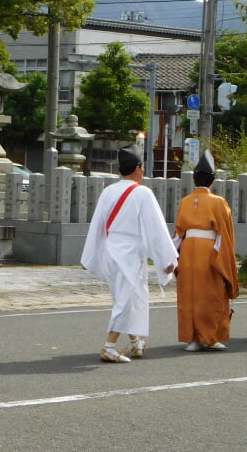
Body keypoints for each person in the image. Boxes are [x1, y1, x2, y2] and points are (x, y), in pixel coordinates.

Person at [80, 146, 178, 363]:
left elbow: (97, 224)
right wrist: (167, 259)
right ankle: (109, 346)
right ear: (137, 169)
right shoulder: (143, 193)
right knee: (126, 298)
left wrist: (90, 255)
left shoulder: (108, 191)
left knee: (125, 297)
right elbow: (156, 229)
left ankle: (136, 342)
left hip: (110, 250)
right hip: (130, 253)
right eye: (142, 168)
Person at [174, 150, 239, 351]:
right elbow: (224, 234)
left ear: (195, 179)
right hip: (210, 251)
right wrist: (225, 260)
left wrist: (173, 259)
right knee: (212, 294)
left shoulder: (185, 201)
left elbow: (178, 235)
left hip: (187, 251)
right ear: (212, 180)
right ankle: (210, 337)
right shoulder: (219, 202)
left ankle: (192, 338)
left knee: (190, 294)